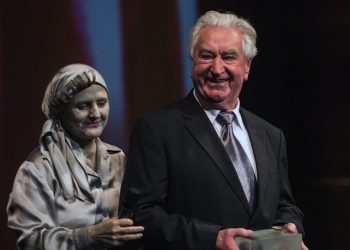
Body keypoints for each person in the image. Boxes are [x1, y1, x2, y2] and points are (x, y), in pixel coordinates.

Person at [120, 10, 308, 250]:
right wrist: (213, 238)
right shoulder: (157, 130)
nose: (217, 69)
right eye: (206, 56)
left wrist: (291, 229)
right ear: (192, 62)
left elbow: (284, 205)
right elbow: (139, 216)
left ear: (247, 67)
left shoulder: (271, 135)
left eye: (229, 57)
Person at [7, 64, 144, 249]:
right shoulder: (37, 169)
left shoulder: (116, 158)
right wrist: (87, 236)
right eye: (83, 106)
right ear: (61, 111)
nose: (95, 114)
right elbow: (28, 240)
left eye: (102, 103)